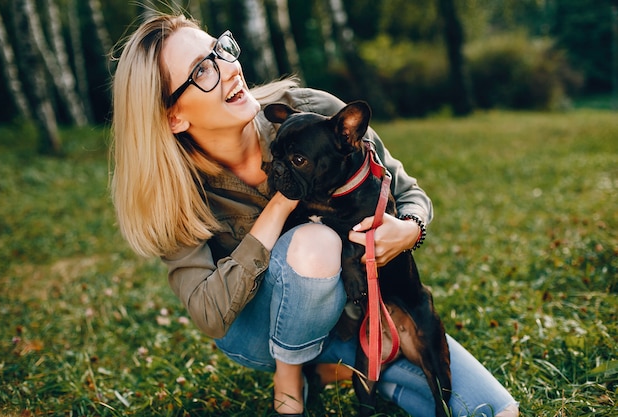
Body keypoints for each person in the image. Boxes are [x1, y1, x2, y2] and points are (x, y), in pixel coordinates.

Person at [110, 12, 519, 417]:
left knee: (495, 411)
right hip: (258, 333)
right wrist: (284, 199)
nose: (229, 68)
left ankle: (331, 367)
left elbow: (406, 190)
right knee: (314, 243)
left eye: (221, 49)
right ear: (173, 116)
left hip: (351, 313)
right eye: (203, 69)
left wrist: (409, 230)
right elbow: (210, 315)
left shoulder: (314, 113)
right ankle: (291, 374)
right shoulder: (173, 191)